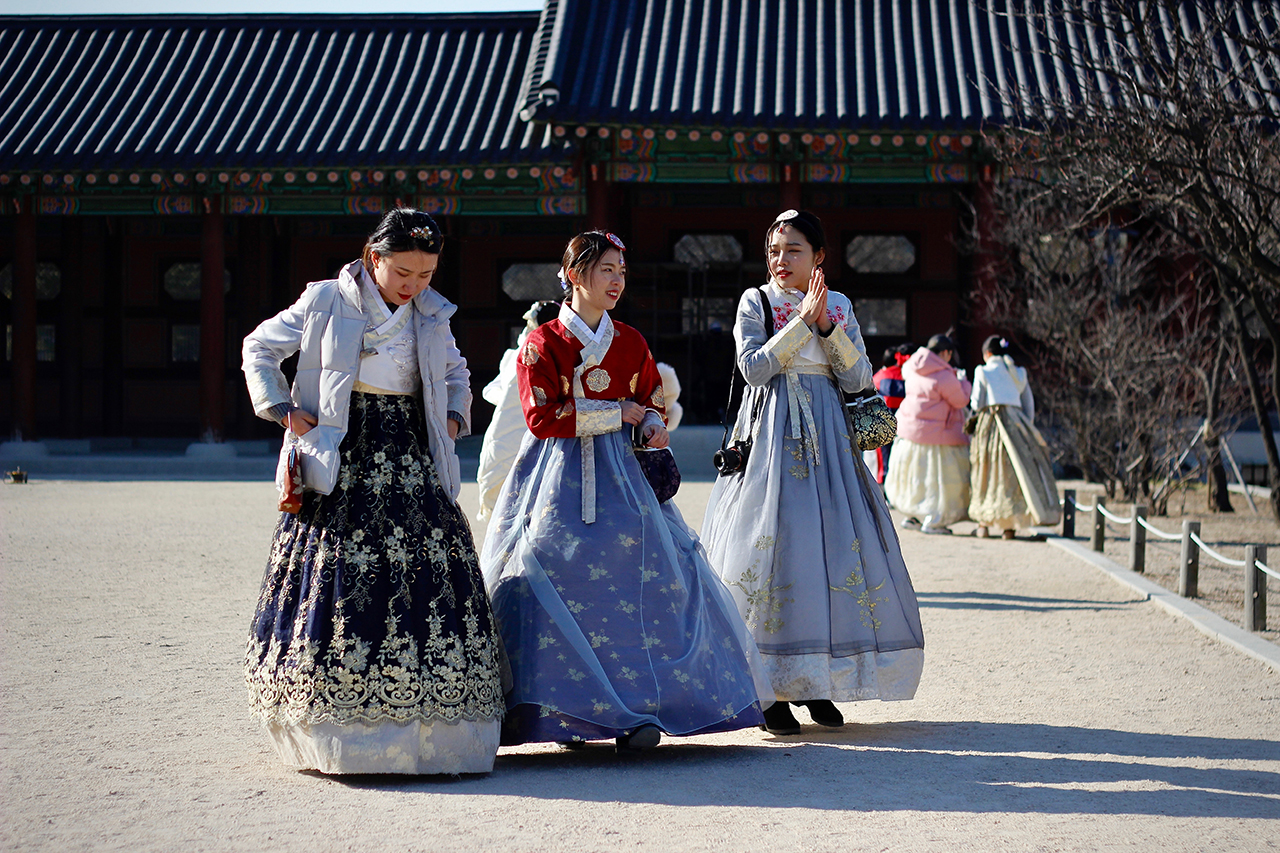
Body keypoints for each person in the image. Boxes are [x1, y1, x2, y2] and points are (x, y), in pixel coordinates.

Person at [481, 230, 771, 752]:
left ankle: (641, 709)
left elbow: (650, 398)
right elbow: (540, 416)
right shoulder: (542, 341)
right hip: (555, 477)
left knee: (648, 578)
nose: (617, 280)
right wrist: (616, 413)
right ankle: (567, 709)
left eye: (621, 270)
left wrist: (654, 423)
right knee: (549, 572)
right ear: (573, 274)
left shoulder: (632, 341)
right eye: (605, 270)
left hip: (624, 476)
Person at [241, 208, 504, 775]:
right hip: (343, 447)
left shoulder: (432, 314)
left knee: (430, 572)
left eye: (426, 275)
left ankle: (438, 734)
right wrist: (284, 409)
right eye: (404, 272)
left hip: (411, 448)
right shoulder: (323, 301)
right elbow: (259, 347)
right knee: (339, 572)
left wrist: (454, 418)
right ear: (372, 258)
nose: (414, 286)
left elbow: (457, 372)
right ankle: (340, 732)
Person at [701, 210, 925, 736]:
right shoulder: (754, 302)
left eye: (794, 249)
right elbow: (753, 368)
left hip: (829, 441)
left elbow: (858, 376)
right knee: (771, 550)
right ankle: (769, 690)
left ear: (819, 256)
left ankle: (816, 680)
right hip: (770, 440)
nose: (782, 260)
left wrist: (825, 324)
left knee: (827, 551)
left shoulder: (840, 304)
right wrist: (801, 322)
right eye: (775, 250)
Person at [968, 335, 1061, 538]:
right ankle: (1008, 527)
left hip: (991, 423)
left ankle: (983, 523)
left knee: (986, 471)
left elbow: (976, 402)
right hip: (1015, 423)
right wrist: (1026, 426)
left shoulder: (982, 370)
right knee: (1013, 473)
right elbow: (1028, 403)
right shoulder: (1018, 372)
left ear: (987, 354)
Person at [476, 300, 560, 521]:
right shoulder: (515, 356)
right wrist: (509, 402)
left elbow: (491, 390)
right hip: (512, 428)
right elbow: (492, 389)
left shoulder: (552, 356)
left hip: (536, 432)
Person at [885, 334, 973, 535]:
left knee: (915, 478)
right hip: (938, 436)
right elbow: (961, 400)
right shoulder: (944, 375)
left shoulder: (911, 368)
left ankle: (913, 516)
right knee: (938, 481)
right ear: (945, 352)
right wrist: (964, 382)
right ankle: (934, 520)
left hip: (911, 434)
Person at [865, 342, 914, 483]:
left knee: (884, 458)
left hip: (881, 422)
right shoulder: (906, 377)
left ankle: (883, 480)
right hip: (904, 423)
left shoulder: (878, 377)